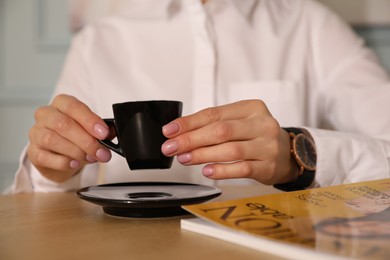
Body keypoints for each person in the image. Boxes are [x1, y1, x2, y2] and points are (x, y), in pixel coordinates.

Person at [6, 0, 390, 193]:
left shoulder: (311, 27)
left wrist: (298, 157)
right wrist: (51, 172)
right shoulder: (98, 41)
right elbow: (41, 203)